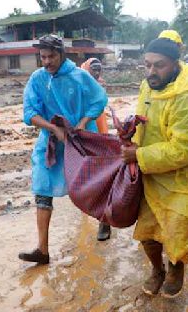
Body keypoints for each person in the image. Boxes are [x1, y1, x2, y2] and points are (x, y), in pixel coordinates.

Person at [121, 38, 188, 298]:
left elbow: (184, 150)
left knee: (177, 232)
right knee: (148, 232)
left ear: (176, 64)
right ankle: (157, 270)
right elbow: (145, 121)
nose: (151, 72)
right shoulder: (147, 87)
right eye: (147, 65)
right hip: (151, 174)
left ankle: (176, 270)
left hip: (184, 178)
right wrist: (129, 129)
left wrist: (138, 155)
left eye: (159, 66)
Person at [19, 34, 108, 264]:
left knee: (90, 184)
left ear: (62, 54)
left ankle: (104, 218)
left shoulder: (80, 77)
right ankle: (42, 250)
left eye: (51, 57)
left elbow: (99, 100)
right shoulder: (37, 79)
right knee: (42, 186)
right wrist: (52, 128)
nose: (46, 62)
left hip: (81, 139)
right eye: (43, 57)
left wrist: (81, 123)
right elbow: (29, 112)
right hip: (51, 142)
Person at [80, 57, 111, 241]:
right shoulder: (78, 84)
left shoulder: (100, 86)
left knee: (101, 179)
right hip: (84, 135)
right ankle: (90, 215)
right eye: (94, 69)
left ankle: (104, 221)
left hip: (100, 134)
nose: (97, 72)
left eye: (99, 69)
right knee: (86, 179)